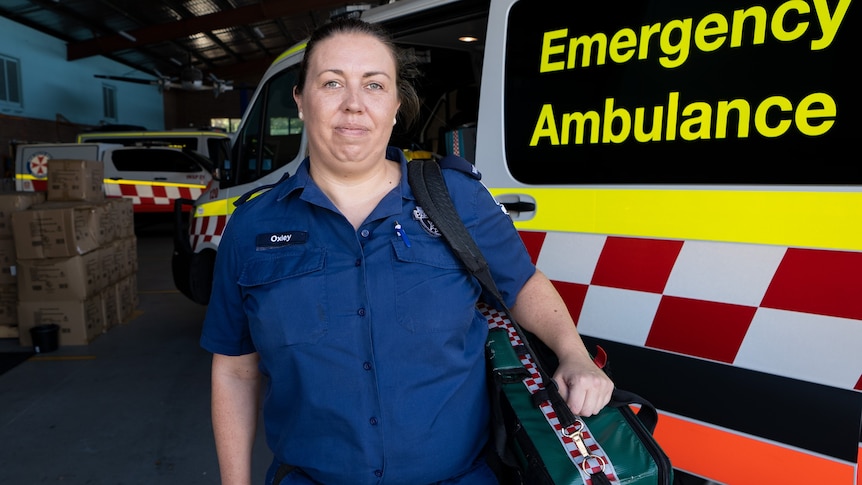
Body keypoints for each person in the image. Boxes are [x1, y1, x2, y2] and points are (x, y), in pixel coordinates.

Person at [200, 17, 614, 485]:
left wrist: (574, 354)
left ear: (395, 105)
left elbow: (522, 284)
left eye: (374, 85)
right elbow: (235, 371)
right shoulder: (251, 226)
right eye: (332, 82)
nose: (354, 105)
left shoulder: (457, 200)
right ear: (300, 100)